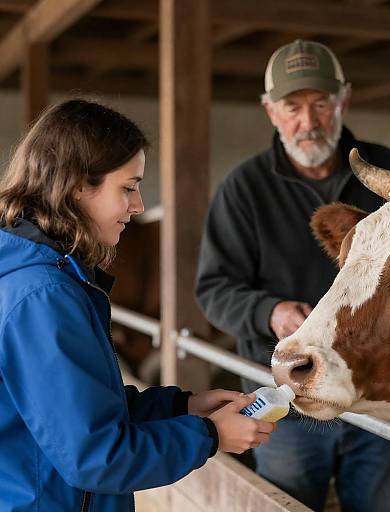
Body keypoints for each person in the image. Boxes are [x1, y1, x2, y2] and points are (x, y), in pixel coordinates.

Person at [0, 99, 275, 512]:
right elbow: (96, 457)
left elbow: (81, 411)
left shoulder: (47, 280)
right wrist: (210, 436)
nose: (139, 205)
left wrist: (183, 406)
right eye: (128, 187)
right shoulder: (44, 296)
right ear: (77, 186)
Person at [195, 40, 390, 512]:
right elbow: (212, 289)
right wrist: (268, 313)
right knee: (289, 503)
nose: (308, 122)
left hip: (375, 390)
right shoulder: (243, 189)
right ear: (271, 111)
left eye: (321, 104)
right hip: (288, 398)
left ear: (343, 101)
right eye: (293, 107)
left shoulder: (388, 174)